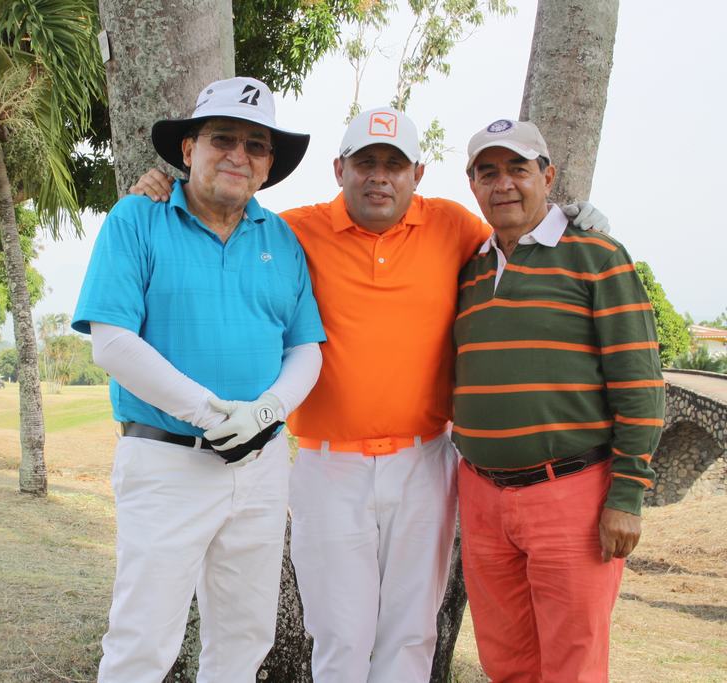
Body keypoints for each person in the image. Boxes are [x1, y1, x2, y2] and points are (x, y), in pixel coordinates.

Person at [130, 106, 608, 682]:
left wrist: (572, 219)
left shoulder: (454, 226)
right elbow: (228, 212)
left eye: (394, 164)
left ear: (418, 175)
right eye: (366, 163)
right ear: (339, 169)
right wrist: (166, 187)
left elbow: (520, 236)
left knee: (412, 632)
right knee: (338, 633)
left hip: (425, 460)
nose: (380, 176)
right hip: (330, 466)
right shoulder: (293, 231)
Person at [72, 76, 326, 683]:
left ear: (267, 165)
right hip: (167, 462)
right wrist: (214, 415)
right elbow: (111, 342)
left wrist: (262, 414)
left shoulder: (282, 238)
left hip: (260, 465)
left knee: (245, 635)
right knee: (143, 640)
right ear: (188, 150)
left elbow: (307, 347)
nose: (238, 154)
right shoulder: (137, 219)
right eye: (222, 138)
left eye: (255, 145)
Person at [454, 118, 664, 682]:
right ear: (472, 186)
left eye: (518, 169)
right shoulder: (469, 269)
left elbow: (639, 384)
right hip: (481, 495)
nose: (503, 185)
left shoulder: (597, 257)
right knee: (507, 662)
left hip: (571, 495)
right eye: (487, 173)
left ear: (548, 176)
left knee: (572, 664)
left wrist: (627, 494)